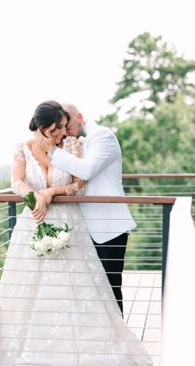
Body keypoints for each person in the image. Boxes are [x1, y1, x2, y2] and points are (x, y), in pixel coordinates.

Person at [0, 101, 153, 366]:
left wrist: (51, 192)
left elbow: (80, 181)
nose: (62, 133)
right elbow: (16, 182)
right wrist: (34, 197)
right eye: (57, 128)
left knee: (83, 286)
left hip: (70, 219)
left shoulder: (72, 145)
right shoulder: (21, 148)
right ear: (42, 126)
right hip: (34, 218)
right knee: (28, 289)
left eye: (64, 127)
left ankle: (99, 349)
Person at [51, 103, 136, 313]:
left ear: (79, 116)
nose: (64, 130)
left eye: (67, 123)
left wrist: (50, 150)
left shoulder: (102, 136)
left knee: (110, 287)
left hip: (108, 226)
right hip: (81, 227)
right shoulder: (69, 143)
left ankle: (119, 341)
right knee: (89, 290)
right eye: (59, 126)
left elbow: (87, 170)